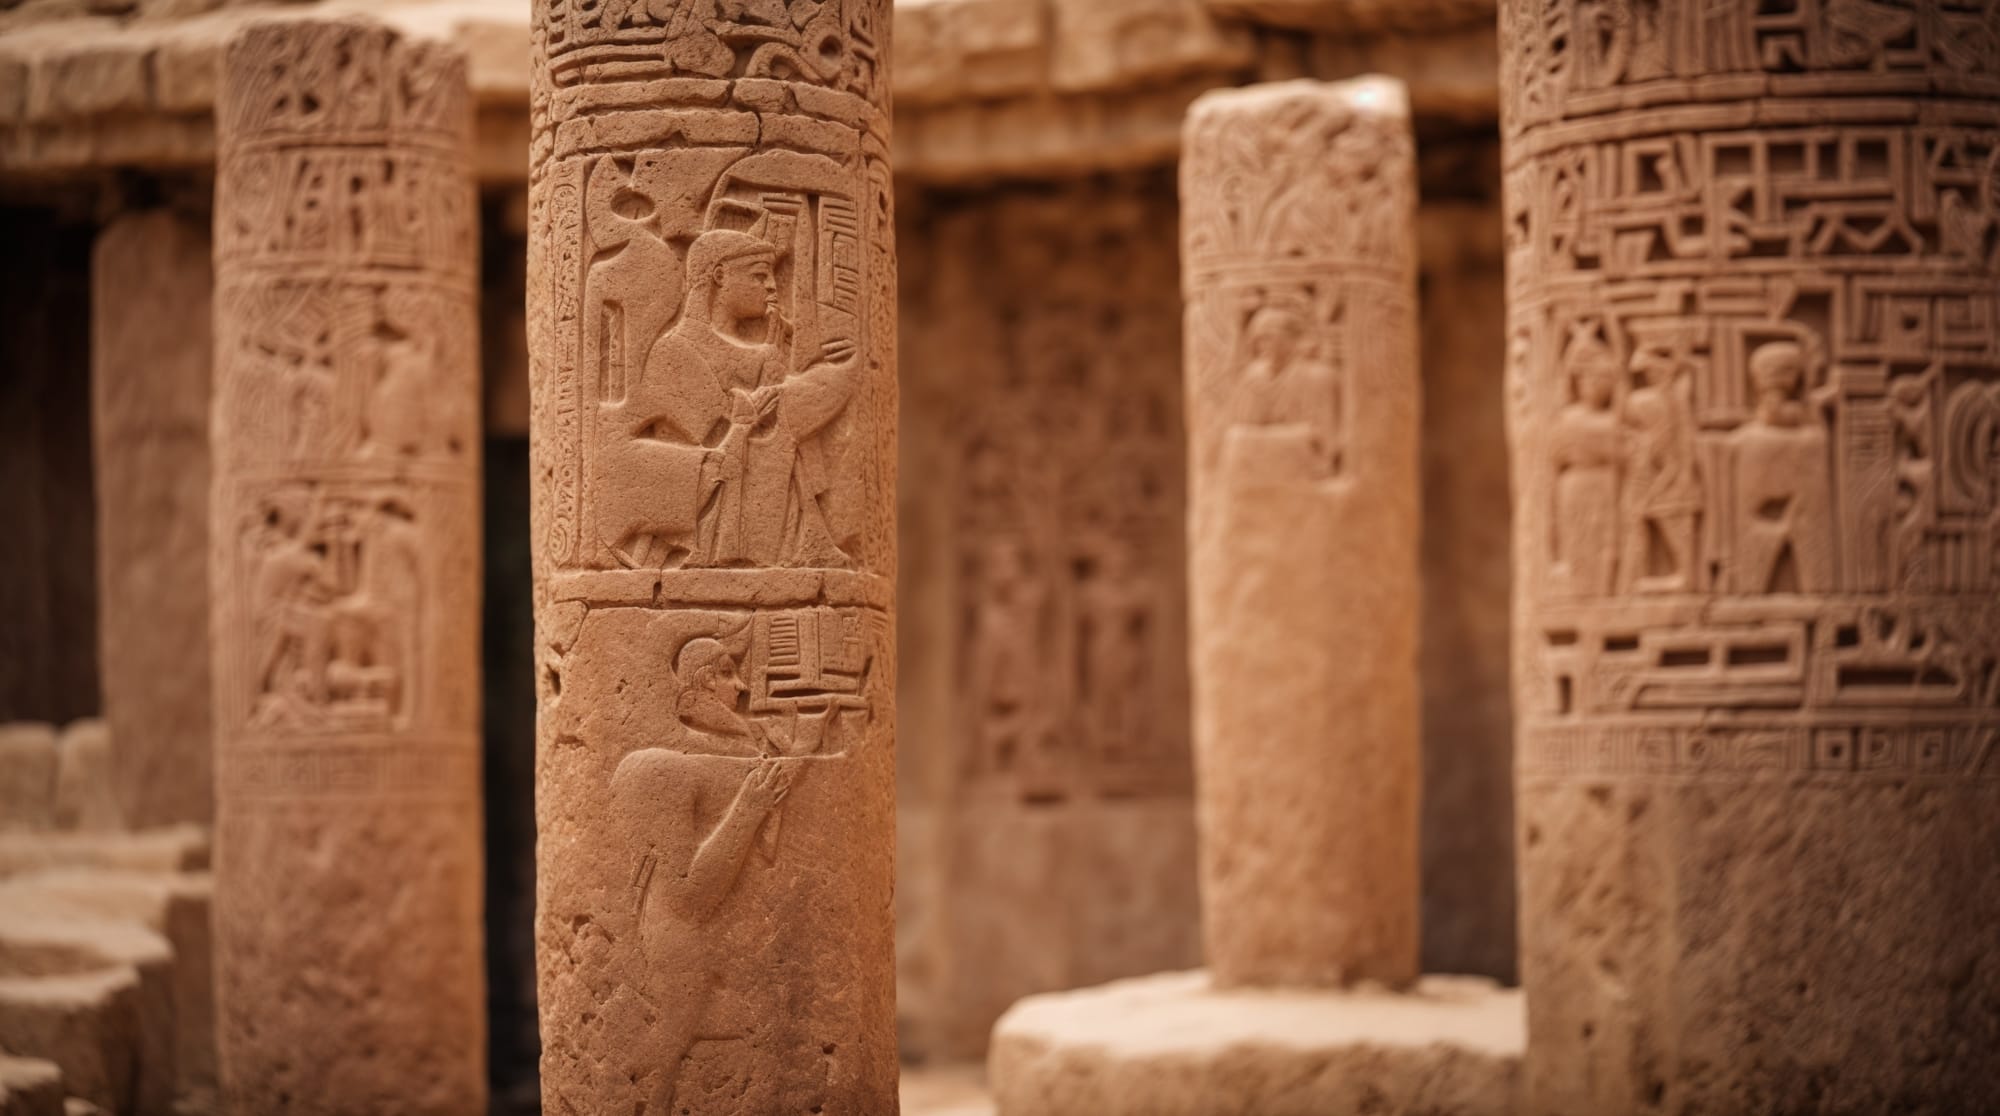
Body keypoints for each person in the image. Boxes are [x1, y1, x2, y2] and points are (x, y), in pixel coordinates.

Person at [599, 227, 861, 568]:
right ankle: (793, 541)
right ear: (719, 276)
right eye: (759, 275)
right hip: (703, 491)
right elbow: (719, 428)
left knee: (781, 422)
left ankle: (811, 535)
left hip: (738, 476)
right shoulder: (674, 352)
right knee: (775, 426)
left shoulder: (755, 351)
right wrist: (838, 375)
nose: (770, 286)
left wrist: (780, 354)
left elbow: (765, 402)